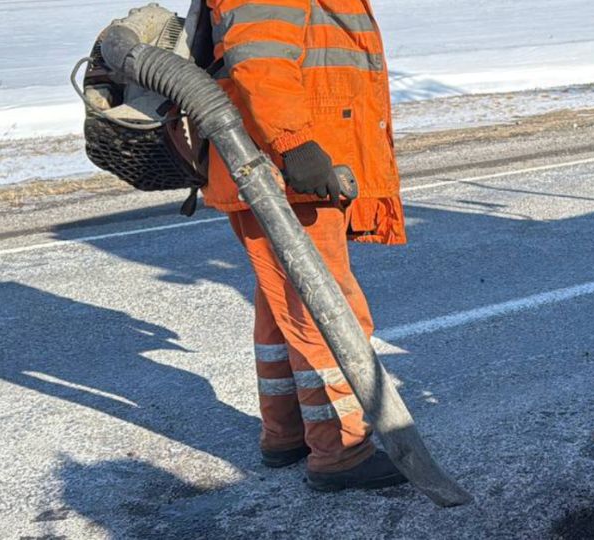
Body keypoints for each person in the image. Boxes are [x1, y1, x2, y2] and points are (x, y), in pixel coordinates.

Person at [204, 0, 407, 492]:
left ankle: (287, 432)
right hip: (285, 168)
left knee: (284, 306)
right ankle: (341, 449)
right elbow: (260, 57)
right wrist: (294, 142)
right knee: (324, 308)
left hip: (281, 168)